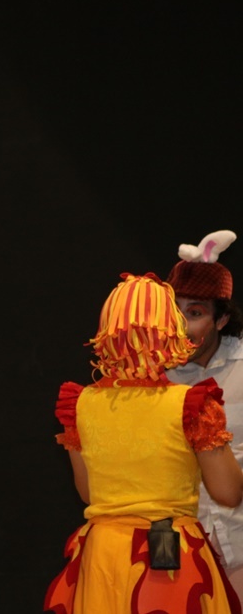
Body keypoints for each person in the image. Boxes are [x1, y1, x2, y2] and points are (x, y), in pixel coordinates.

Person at [45, 273, 243, 614]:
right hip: (170, 555)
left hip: (103, 555)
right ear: (170, 329)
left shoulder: (79, 404)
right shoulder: (191, 405)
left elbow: (89, 493)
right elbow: (228, 493)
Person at [165, 230, 243, 595]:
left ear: (221, 319)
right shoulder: (154, 378)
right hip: (183, 554)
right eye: (173, 312)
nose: (180, 326)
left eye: (194, 313)